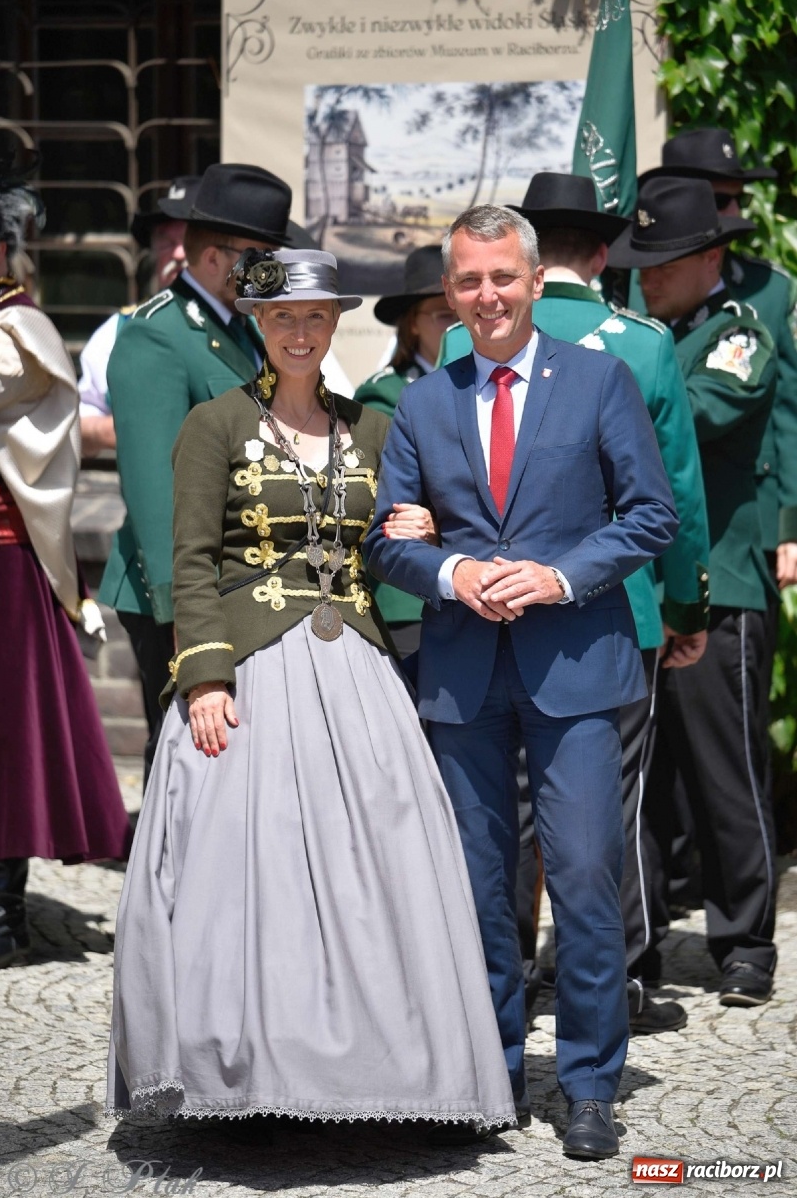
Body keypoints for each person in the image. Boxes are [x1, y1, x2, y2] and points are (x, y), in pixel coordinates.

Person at [106, 247, 515, 1133]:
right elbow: (191, 561)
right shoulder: (215, 424)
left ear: (334, 324)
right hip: (251, 667)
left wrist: (419, 521)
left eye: (315, 316)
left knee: (383, 860)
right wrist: (204, 675)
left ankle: (387, 1077)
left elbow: (405, 525)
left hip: (358, 667)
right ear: (257, 323)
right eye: (282, 316)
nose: (300, 331)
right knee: (254, 868)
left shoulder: (370, 425)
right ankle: (248, 1077)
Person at [364, 205, 679, 1158]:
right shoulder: (423, 400)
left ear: (535, 282)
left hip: (574, 667)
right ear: (448, 294)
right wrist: (452, 573)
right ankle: (488, 1067)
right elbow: (385, 537)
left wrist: (557, 574)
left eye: (503, 277)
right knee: (476, 885)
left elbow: (650, 515)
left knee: (584, 879)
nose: (487, 295)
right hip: (462, 672)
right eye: (468, 282)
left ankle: (587, 1081)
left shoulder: (599, 380)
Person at [609, 177, 779, 1007]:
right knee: (637, 783)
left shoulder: (737, 335)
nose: (646, 275)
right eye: (638, 261)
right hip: (643, 588)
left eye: (663, 261)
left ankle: (744, 941)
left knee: (725, 774)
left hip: (720, 581)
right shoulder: (642, 336)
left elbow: (700, 413)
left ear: (709, 257)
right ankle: (635, 949)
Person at [99, 163, 293, 785]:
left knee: (228, 756)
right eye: (261, 258)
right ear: (215, 256)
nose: (272, 273)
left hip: (236, 577)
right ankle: (166, 881)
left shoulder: (239, 330)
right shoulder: (156, 334)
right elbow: (156, 491)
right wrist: (185, 611)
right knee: (188, 755)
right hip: (185, 589)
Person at [0, 167, 133, 970]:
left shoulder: (19, 327)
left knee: (4, 734)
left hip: (4, 565)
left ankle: (4, 911)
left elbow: (33, 420)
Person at [355, 245, 456, 656]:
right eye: (443, 314)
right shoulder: (385, 394)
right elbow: (391, 505)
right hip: (409, 602)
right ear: (412, 324)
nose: (458, 324)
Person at [78, 175, 201, 458]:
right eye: (167, 242)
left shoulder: (260, 328)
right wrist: (115, 429)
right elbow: (77, 424)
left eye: (190, 241)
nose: (179, 254)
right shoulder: (119, 330)